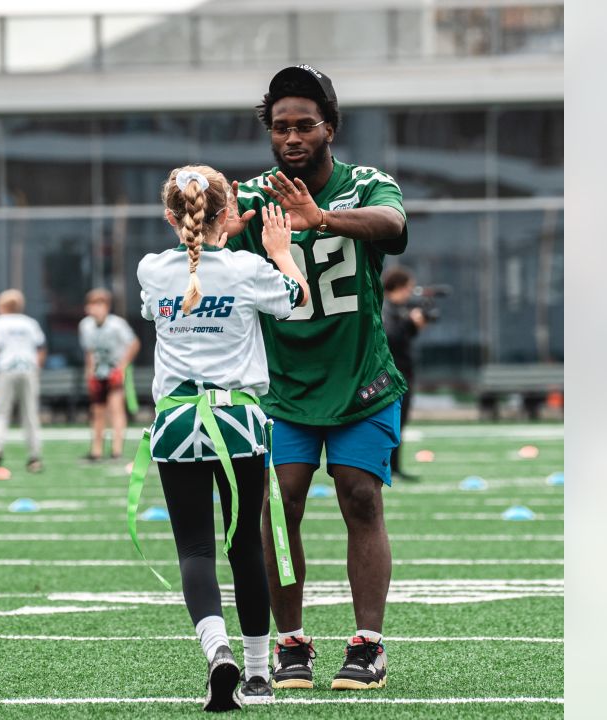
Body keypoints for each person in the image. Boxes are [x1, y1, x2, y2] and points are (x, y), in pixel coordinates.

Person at [224, 64, 408, 691]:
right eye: (281, 127)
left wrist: (320, 219)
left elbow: (395, 227)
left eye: (305, 124)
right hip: (282, 384)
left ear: (330, 128)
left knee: (361, 496)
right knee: (281, 506)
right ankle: (292, 641)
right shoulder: (252, 196)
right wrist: (213, 234)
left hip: (359, 375)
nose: (292, 137)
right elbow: (203, 238)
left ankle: (369, 643)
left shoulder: (364, 185)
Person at [132, 165, 310, 710]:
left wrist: (214, 238)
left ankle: (217, 651)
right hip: (237, 420)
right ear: (228, 211)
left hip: (178, 420)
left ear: (171, 216)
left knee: (194, 548)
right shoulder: (248, 269)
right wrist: (280, 251)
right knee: (245, 547)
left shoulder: (152, 269)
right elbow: (298, 303)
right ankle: (258, 674)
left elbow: (162, 303)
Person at [0, 289, 46, 473]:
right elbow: (41, 348)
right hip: (28, 369)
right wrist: (37, 368)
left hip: (5, 370)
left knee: (0, 412)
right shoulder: (30, 323)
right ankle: (34, 456)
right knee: (30, 413)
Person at [79, 288, 140, 461]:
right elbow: (89, 351)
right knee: (97, 412)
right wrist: (89, 373)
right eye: (93, 305)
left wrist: (122, 367)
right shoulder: (85, 325)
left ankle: (116, 450)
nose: (96, 309)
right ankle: (96, 450)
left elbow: (134, 343)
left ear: (107, 307)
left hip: (114, 370)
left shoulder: (117, 324)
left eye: (100, 305)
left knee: (116, 410)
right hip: (99, 372)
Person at [381, 266, 427, 481]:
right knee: (391, 422)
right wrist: (409, 322)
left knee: (400, 422)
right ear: (398, 287)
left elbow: (403, 336)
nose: (410, 292)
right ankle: (386, 466)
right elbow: (390, 338)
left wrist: (414, 325)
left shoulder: (396, 308)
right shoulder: (385, 307)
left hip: (402, 372)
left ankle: (395, 466)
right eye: (408, 287)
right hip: (392, 374)